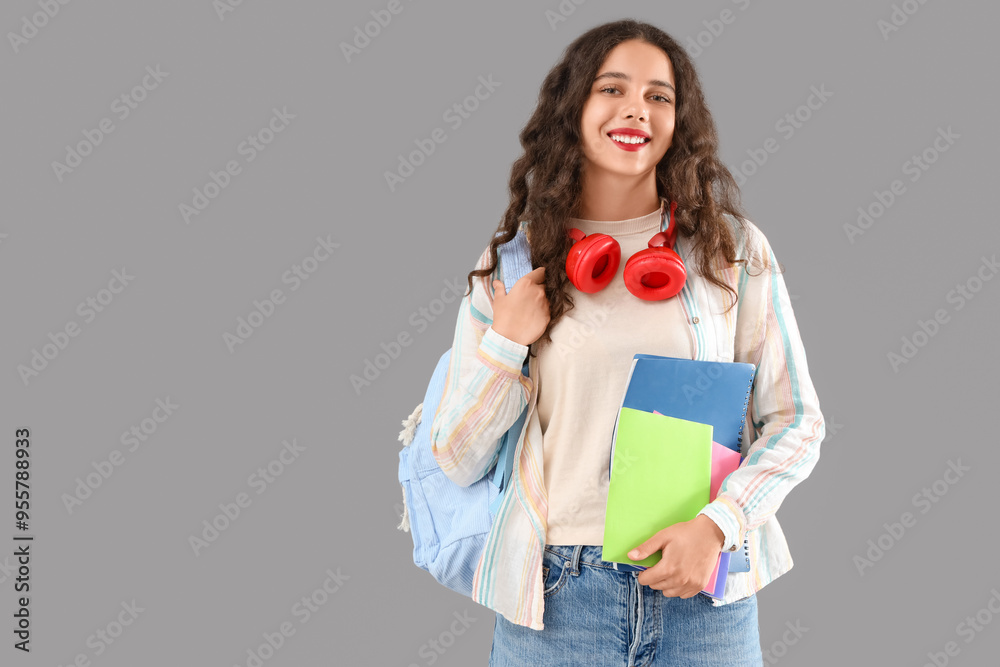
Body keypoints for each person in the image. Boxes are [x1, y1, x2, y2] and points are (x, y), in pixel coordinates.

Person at [430, 18, 825, 667]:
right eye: (612, 88)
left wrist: (717, 525)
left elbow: (797, 421)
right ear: (575, 107)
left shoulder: (730, 250)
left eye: (658, 95)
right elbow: (458, 457)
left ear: (678, 118)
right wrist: (504, 343)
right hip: (555, 598)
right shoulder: (516, 262)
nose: (636, 108)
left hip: (704, 596)